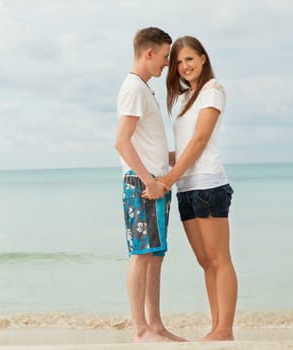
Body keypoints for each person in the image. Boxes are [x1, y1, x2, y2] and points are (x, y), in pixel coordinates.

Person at [159, 36, 238, 341]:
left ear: (203, 58)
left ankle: (225, 329)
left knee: (220, 259)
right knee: (205, 262)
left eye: (189, 59)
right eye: (178, 62)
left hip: (208, 185)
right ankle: (216, 326)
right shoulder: (183, 99)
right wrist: (157, 159)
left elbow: (200, 141)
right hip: (186, 188)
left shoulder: (212, 90)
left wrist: (167, 179)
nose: (184, 66)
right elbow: (183, 149)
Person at [115, 27, 184, 343]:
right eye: (166, 56)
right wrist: (149, 181)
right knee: (141, 255)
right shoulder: (133, 88)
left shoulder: (144, 89)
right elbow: (121, 142)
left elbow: (144, 142)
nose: (168, 63)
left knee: (155, 256)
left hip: (155, 183)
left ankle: (155, 326)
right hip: (143, 185)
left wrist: (174, 156)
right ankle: (140, 329)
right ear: (149, 53)